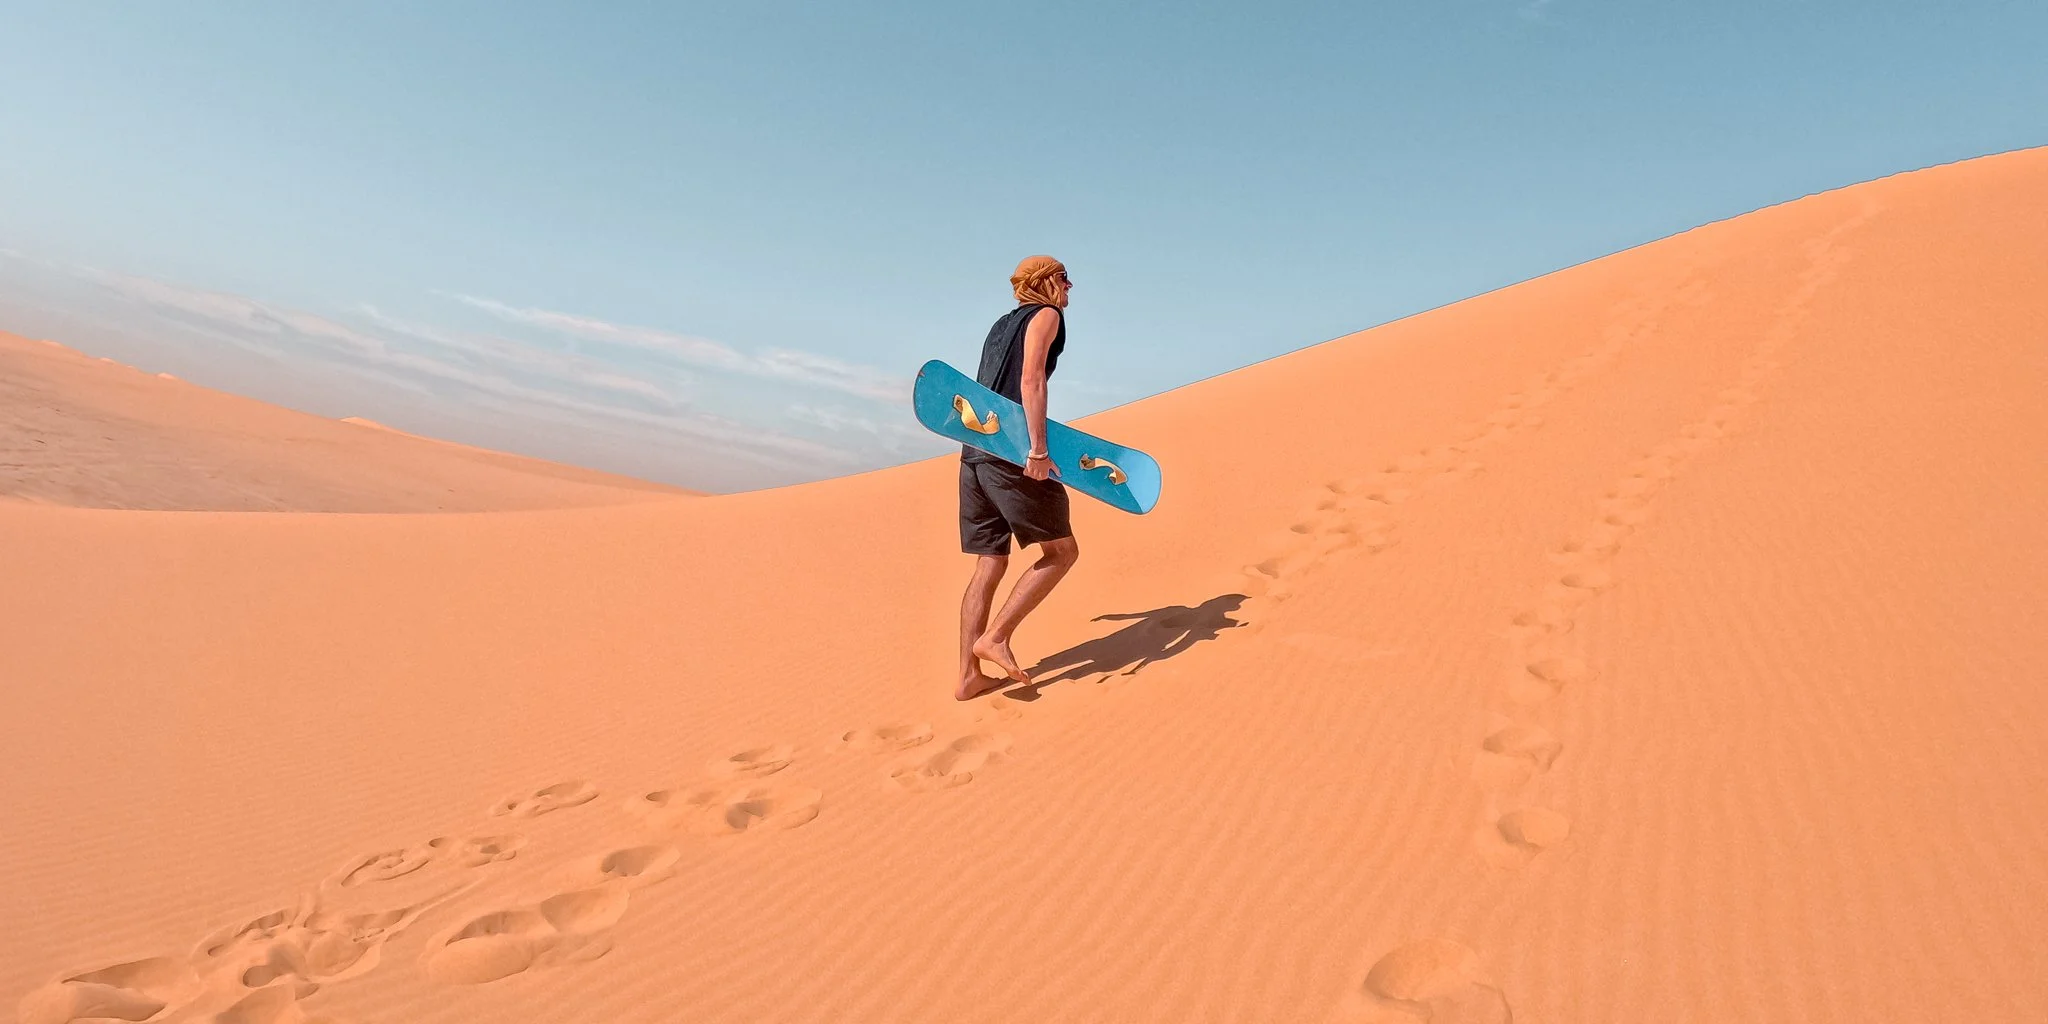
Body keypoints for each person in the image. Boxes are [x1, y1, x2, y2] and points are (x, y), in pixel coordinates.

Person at [956, 255, 1080, 700]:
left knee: (990, 562)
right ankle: (996, 637)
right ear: (1046, 283)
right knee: (1062, 552)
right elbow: (1031, 382)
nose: (1071, 286)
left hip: (975, 452)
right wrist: (1039, 450)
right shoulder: (1048, 315)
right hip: (1013, 454)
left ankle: (968, 676)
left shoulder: (1000, 324)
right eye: (1065, 277)